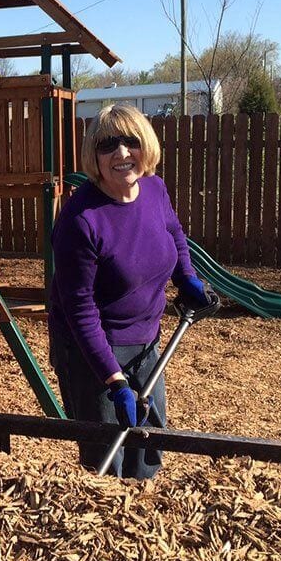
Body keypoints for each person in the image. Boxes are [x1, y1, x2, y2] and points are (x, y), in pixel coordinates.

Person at [48, 103, 211, 479]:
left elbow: (173, 230)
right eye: (108, 145)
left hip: (145, 341)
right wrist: (113, 380)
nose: (121, 153)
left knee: (150, 442)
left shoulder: (154, 188)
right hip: (91, 351)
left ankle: (142, 506)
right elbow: (80, 310)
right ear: (94, 156)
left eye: (130, 141)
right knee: (109, 456)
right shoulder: (80, 221)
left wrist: (186, 277)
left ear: (145, 145)